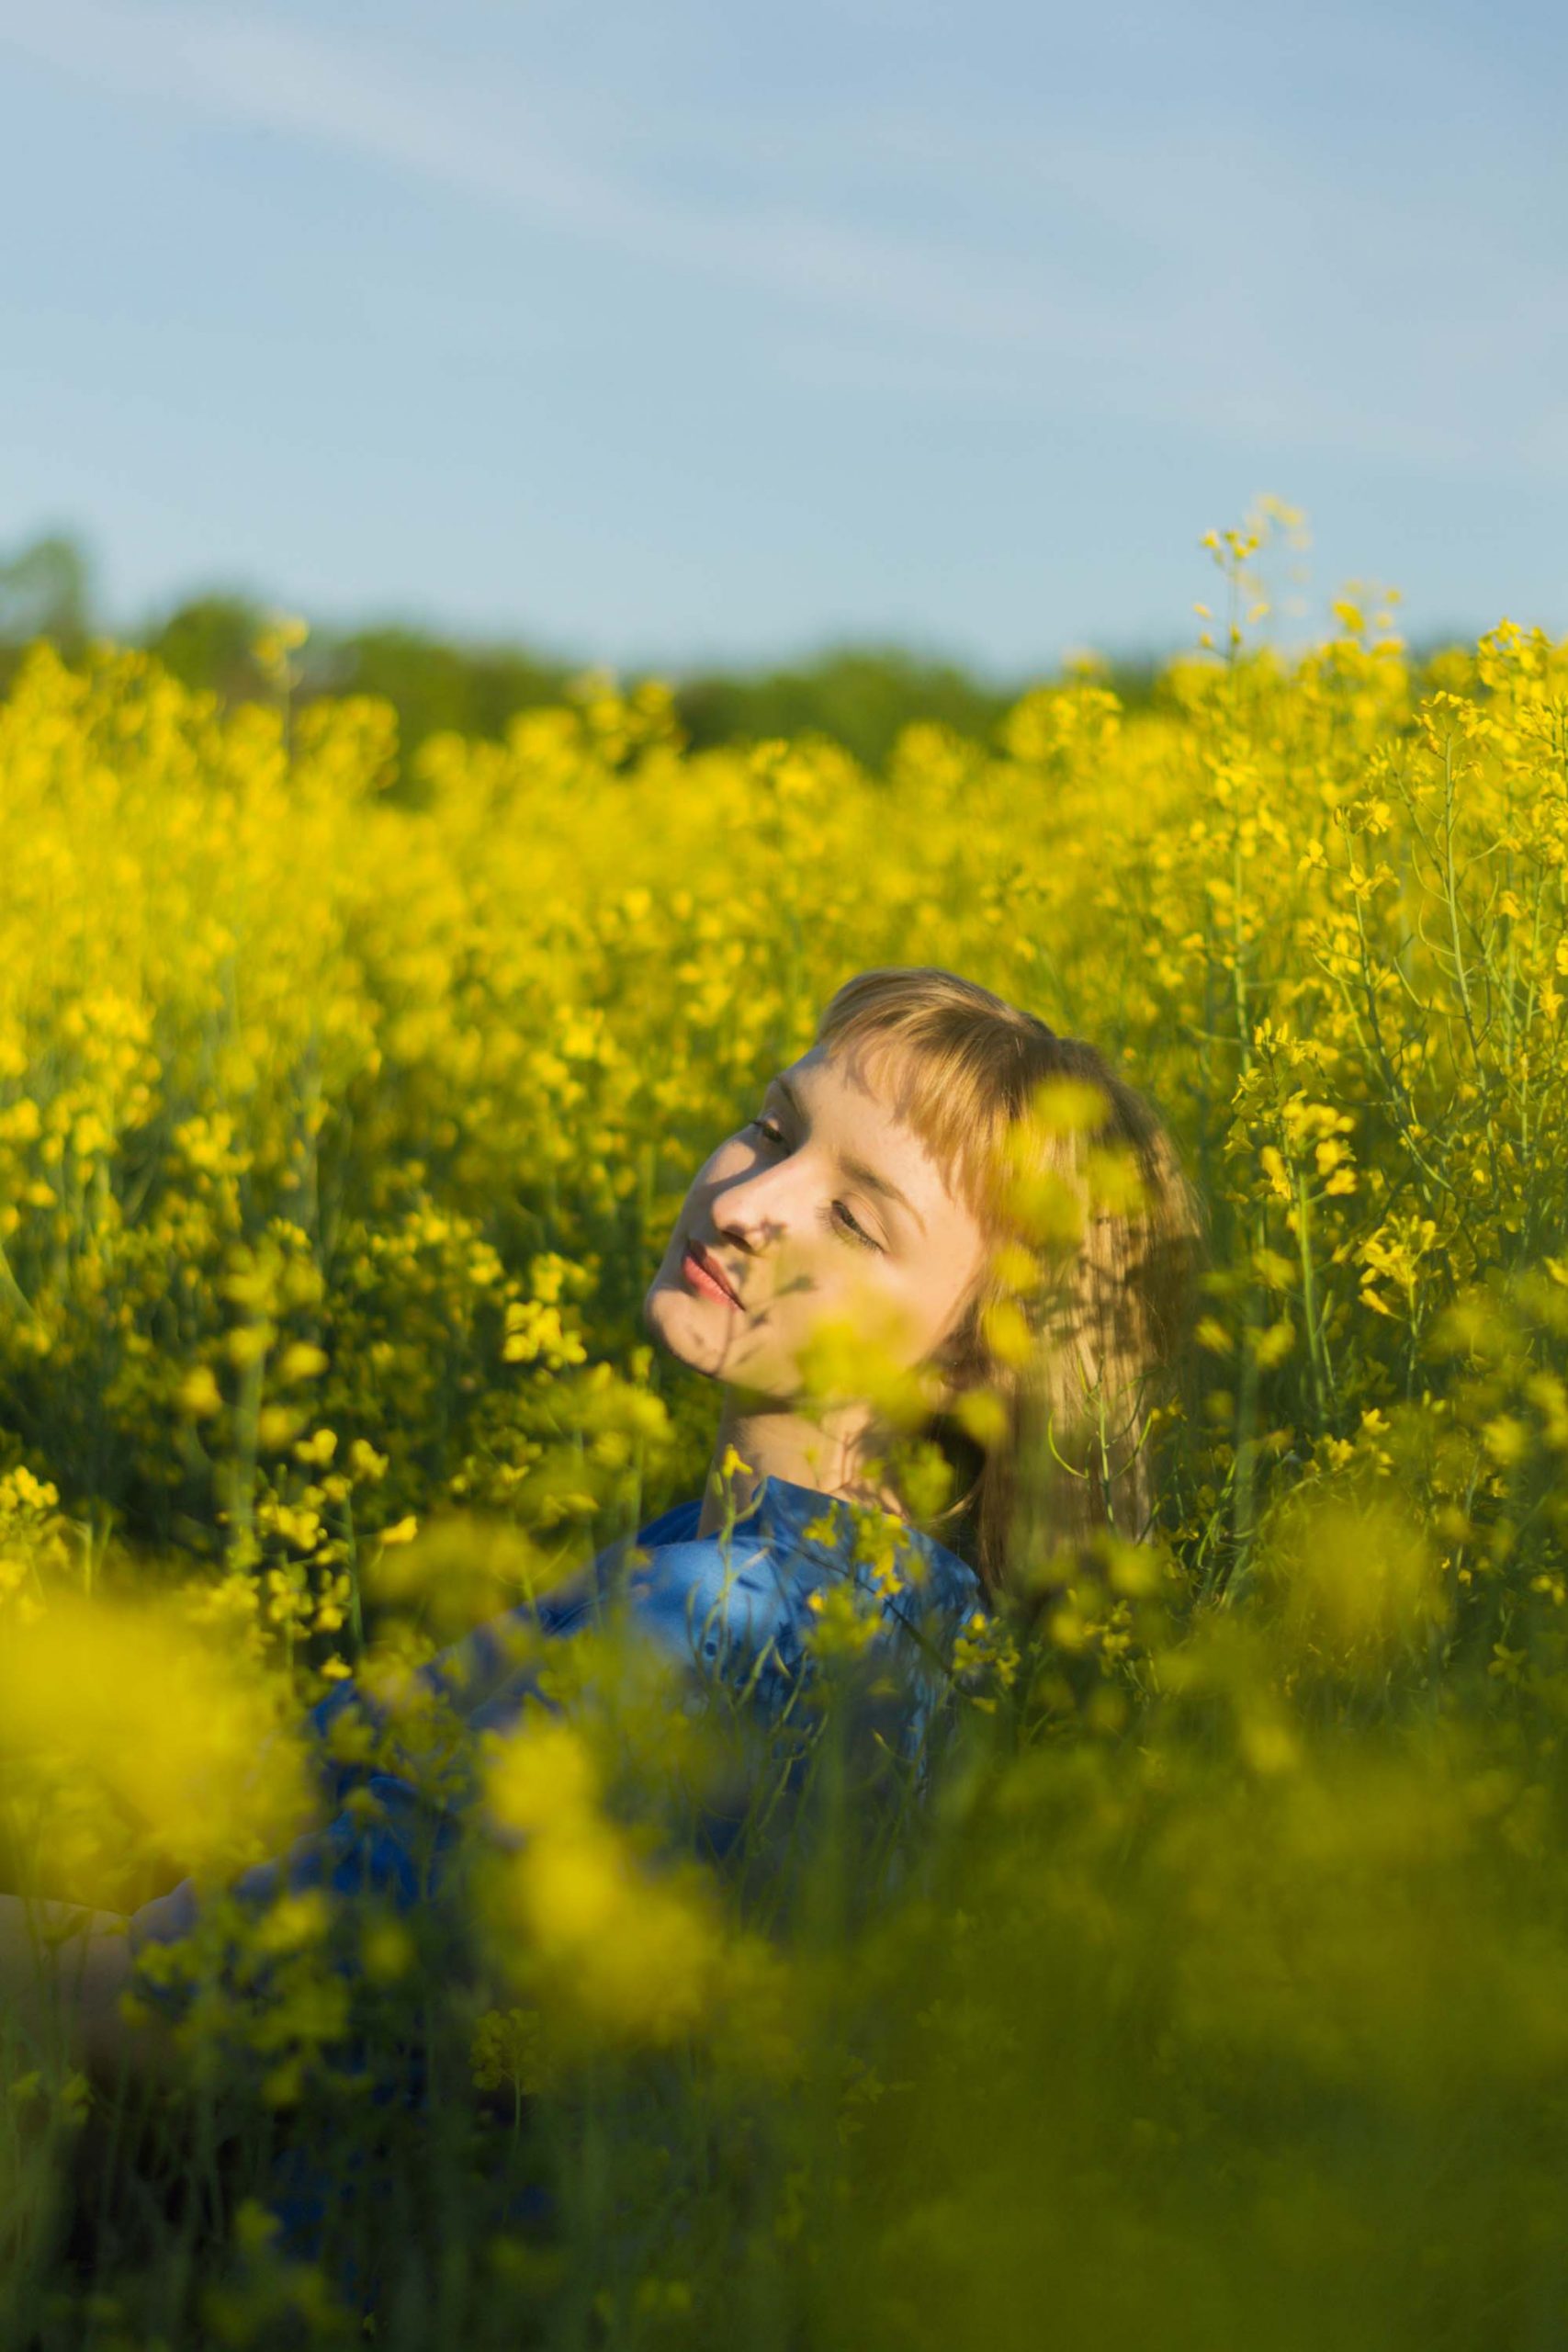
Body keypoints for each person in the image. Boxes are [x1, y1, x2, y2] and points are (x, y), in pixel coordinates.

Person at [0, 966, 1198, 2238]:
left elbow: (187, 2006)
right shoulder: (913, 1633)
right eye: (773, 1129)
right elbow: (277, 1811)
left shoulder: (712, 1630)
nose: (746, 1201)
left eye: (858, 1221)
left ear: (980, 1358)